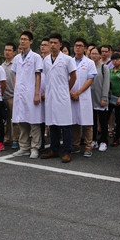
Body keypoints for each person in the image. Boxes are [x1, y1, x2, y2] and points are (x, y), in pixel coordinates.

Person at [41, 33, 77, 163]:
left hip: (62, 96)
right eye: (50, 42)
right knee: (52, 124)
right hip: (50, 96)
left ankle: (67, 151)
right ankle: (54, 149)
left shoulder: (67, 59)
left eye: (55, 43)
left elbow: (73, 76)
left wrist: (66, 89)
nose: (52, 45)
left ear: (60, 44)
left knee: (65, 125)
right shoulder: (46, 60)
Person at [11, 31, 44, 158]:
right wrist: (16, 90)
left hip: (31, 93)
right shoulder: (17, 58)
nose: (22, 41)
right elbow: (15, 75)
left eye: (25, 39)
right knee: (22, 121)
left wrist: (36, 94)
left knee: (34, 121)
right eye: (21, 39)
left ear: (31, 41)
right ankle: (24, 147)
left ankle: (35, 147)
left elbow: (38, 76)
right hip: (19, 94)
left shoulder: (36, 57)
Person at [70, 38, 97, 157]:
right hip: (71, 96)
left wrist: (78, 93)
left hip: (84, 96)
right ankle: (75, 145)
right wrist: (71, 92)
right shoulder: (69, 61)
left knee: (87, 123)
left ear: (85, 48)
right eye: (76, 45)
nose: (77, 48)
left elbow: (90, 80)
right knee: (74, 122)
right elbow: (65, 79)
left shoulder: (89, 63)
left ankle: (88, 146)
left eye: (80, 46)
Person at [90, 46, 111, 152]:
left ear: (99, 55)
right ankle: (93, 139)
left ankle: (103, 141)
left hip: (101, 98)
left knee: (103, 121)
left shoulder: (104, 67)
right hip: (91, 99)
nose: (94, 55)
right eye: (92, 53)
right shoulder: (89, 67)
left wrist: (104, 98)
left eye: (95, 53)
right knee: (92, 121)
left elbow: (106, 84)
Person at [2, 42, 19, 149]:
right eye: (6, 50)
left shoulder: (16, 64)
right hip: (4, 96)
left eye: (9, 50)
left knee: (15, 120)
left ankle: (16, 140)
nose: (7, 52)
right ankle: (7, 138)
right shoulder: (2, 66)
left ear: (14, 52)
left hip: (14, 96)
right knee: (6, 120)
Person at [109, 52, 120, 147]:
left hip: (119, 98)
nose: (115, 61)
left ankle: (117, 138)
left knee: (118, 119)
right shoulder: (110, 71)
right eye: (113, 60)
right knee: (107, 117)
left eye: (117, 59)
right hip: (110, 97)